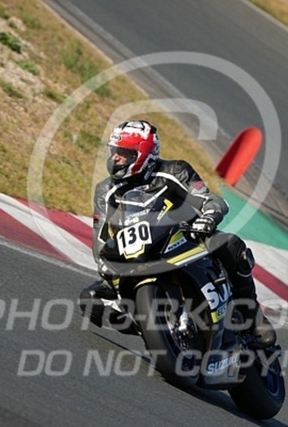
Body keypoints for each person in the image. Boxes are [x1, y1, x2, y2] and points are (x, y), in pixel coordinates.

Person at [79, 120, 276, 347]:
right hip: (137, 256)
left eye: (124, 154)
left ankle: (252, 317)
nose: (116, 159)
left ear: (144, 155)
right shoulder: (105, 190)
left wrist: (208, 217)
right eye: (115, 152)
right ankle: (150, 326)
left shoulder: (174, 171)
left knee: (231, 245)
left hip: (185, 240)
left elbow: (210, 200)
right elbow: (101, 237)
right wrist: (105, 263)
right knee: (89, 299)